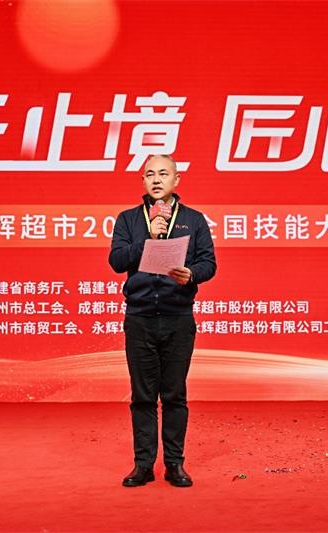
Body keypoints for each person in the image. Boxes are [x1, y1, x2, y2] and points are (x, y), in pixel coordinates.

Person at [108, 153, 217, 487]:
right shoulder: (129, 220)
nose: (156, 180)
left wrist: (192, 274)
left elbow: (209, 263)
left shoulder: (194, 220)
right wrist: (146, 240)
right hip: (140, 318)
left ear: (176, 179)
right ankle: (143, 465)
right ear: (143, 180)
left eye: (163, 174)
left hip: (177, 318)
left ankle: (174, 464)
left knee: (174, 395)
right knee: (142, 397)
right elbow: (116, 261)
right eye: (150, 174)